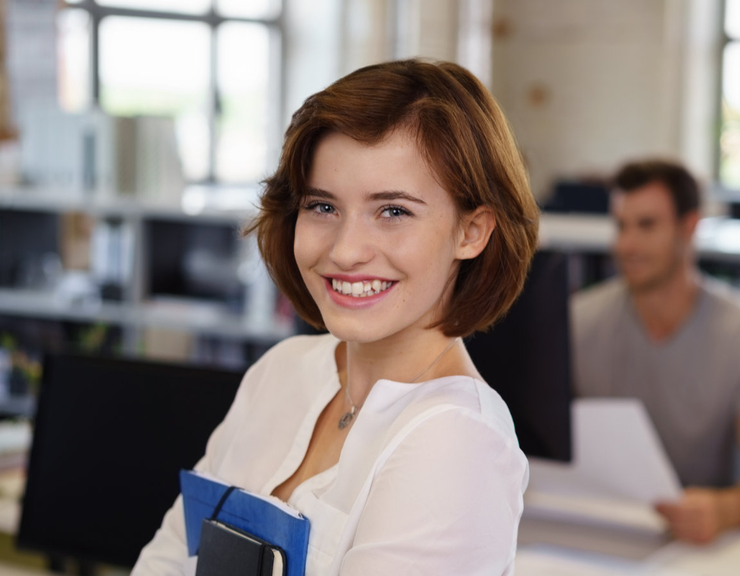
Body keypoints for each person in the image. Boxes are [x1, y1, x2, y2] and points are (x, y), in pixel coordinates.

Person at [132, 59, 540, 575]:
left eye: (393, 211)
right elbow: (166, 561)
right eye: (322, 206)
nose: (346, 251)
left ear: (472, 232)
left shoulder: (459, 441)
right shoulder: (283, 370)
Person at [570, 160, 740, 544]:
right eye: (621, 226)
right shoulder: (576, 325)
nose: (626, 245)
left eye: (646, 225)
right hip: (602, 531)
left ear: (689, 227)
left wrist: (727, 509)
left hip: (703, 543)